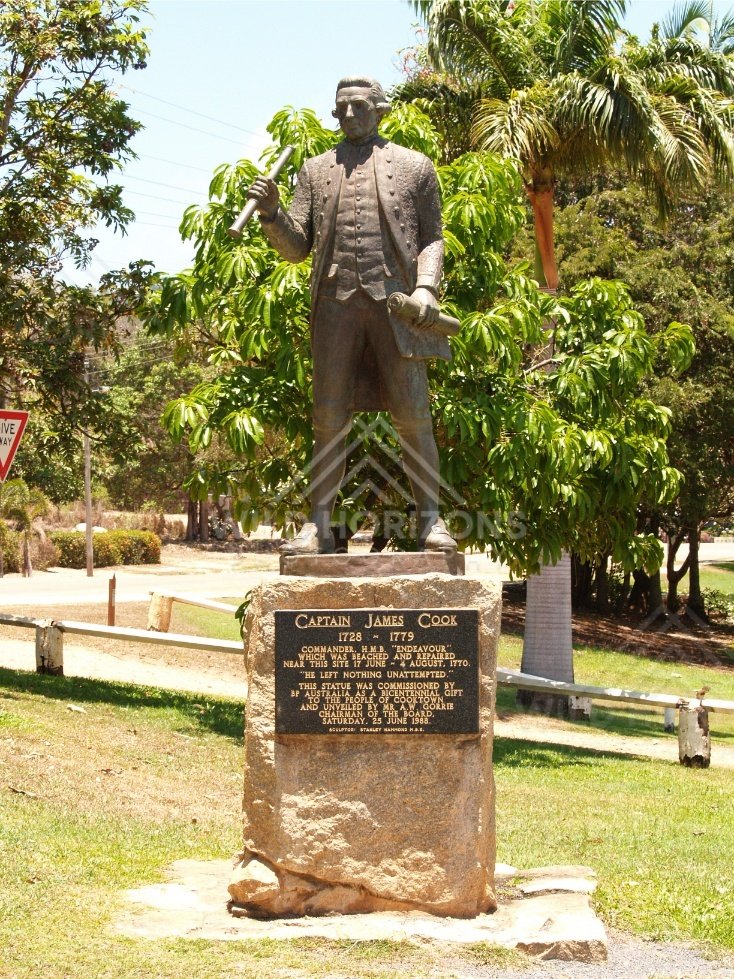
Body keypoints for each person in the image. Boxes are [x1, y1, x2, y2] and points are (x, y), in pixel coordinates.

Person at [248, 75, 455, 555]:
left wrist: (426, 287)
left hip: (395, 307)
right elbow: (297, 249)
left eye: (357, 106)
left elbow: (432, 238)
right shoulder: (315, 171)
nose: (345, 115)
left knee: (413, 415)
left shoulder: (414, 167)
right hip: (335, 306)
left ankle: (431, 522)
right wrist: (273, 215)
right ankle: (317, 525)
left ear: (380, 110)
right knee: (328, 418)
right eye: (339, 108)